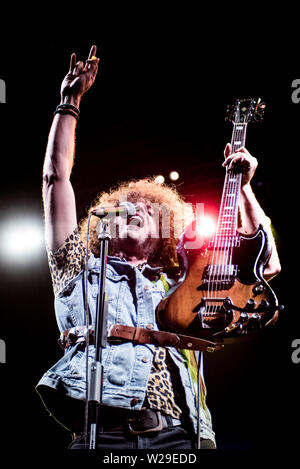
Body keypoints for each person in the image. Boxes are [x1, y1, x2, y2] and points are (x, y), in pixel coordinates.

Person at [36, 45, 281, 450]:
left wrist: (245, 189)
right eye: (122, 207)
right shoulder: (75, 270)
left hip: (179, 435)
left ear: (163, 232)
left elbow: (264, 266)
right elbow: (54, 180)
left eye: (146, 209)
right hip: (102, 432)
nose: (132, 208)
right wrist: (70, 102)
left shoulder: (177, 286)